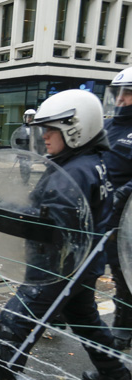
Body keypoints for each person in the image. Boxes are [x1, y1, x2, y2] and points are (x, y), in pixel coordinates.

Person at [0, 89, 131, 380]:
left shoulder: (75, 173)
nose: (44, 136)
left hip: (55, 270)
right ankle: (117, 377)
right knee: (86, 320)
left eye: (51, 130)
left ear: (75, 129)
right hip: (83, 268)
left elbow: (52, 227)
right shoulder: (91, 162)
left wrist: (3, 213)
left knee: (12, 326)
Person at [102, 66, 132, 350]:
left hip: (128, 216)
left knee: (123, 270)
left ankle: (124, 324)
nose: (121, 99)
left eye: (127, 93)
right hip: (102, 209)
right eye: (118, 93)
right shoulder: (109, 126)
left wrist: (126, 192)